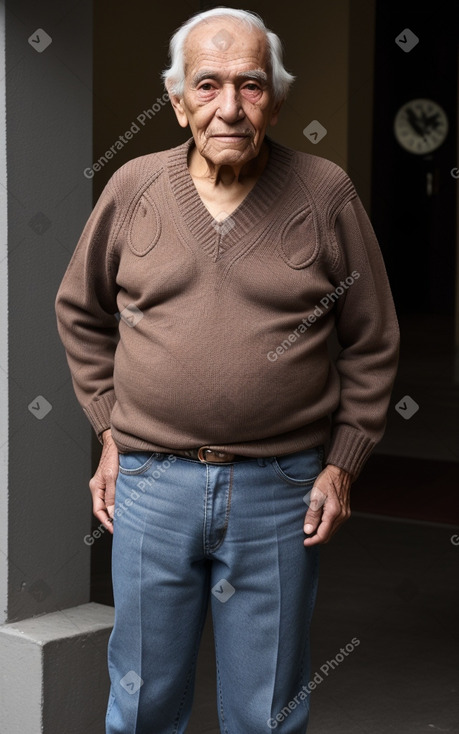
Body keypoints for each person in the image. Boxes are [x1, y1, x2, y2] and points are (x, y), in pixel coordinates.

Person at [55, 7, 399, 733]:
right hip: (150, 483)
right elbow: (79, 311)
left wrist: (341, 464)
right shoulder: (132, 189)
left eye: (250, 84)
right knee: (143, 702)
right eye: (206, 86)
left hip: (280, 489)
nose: (229, 107)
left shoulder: (324, 192)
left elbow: (371, 341)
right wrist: (109, 428)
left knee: (266, 712)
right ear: (176, 100)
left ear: (274, 98)